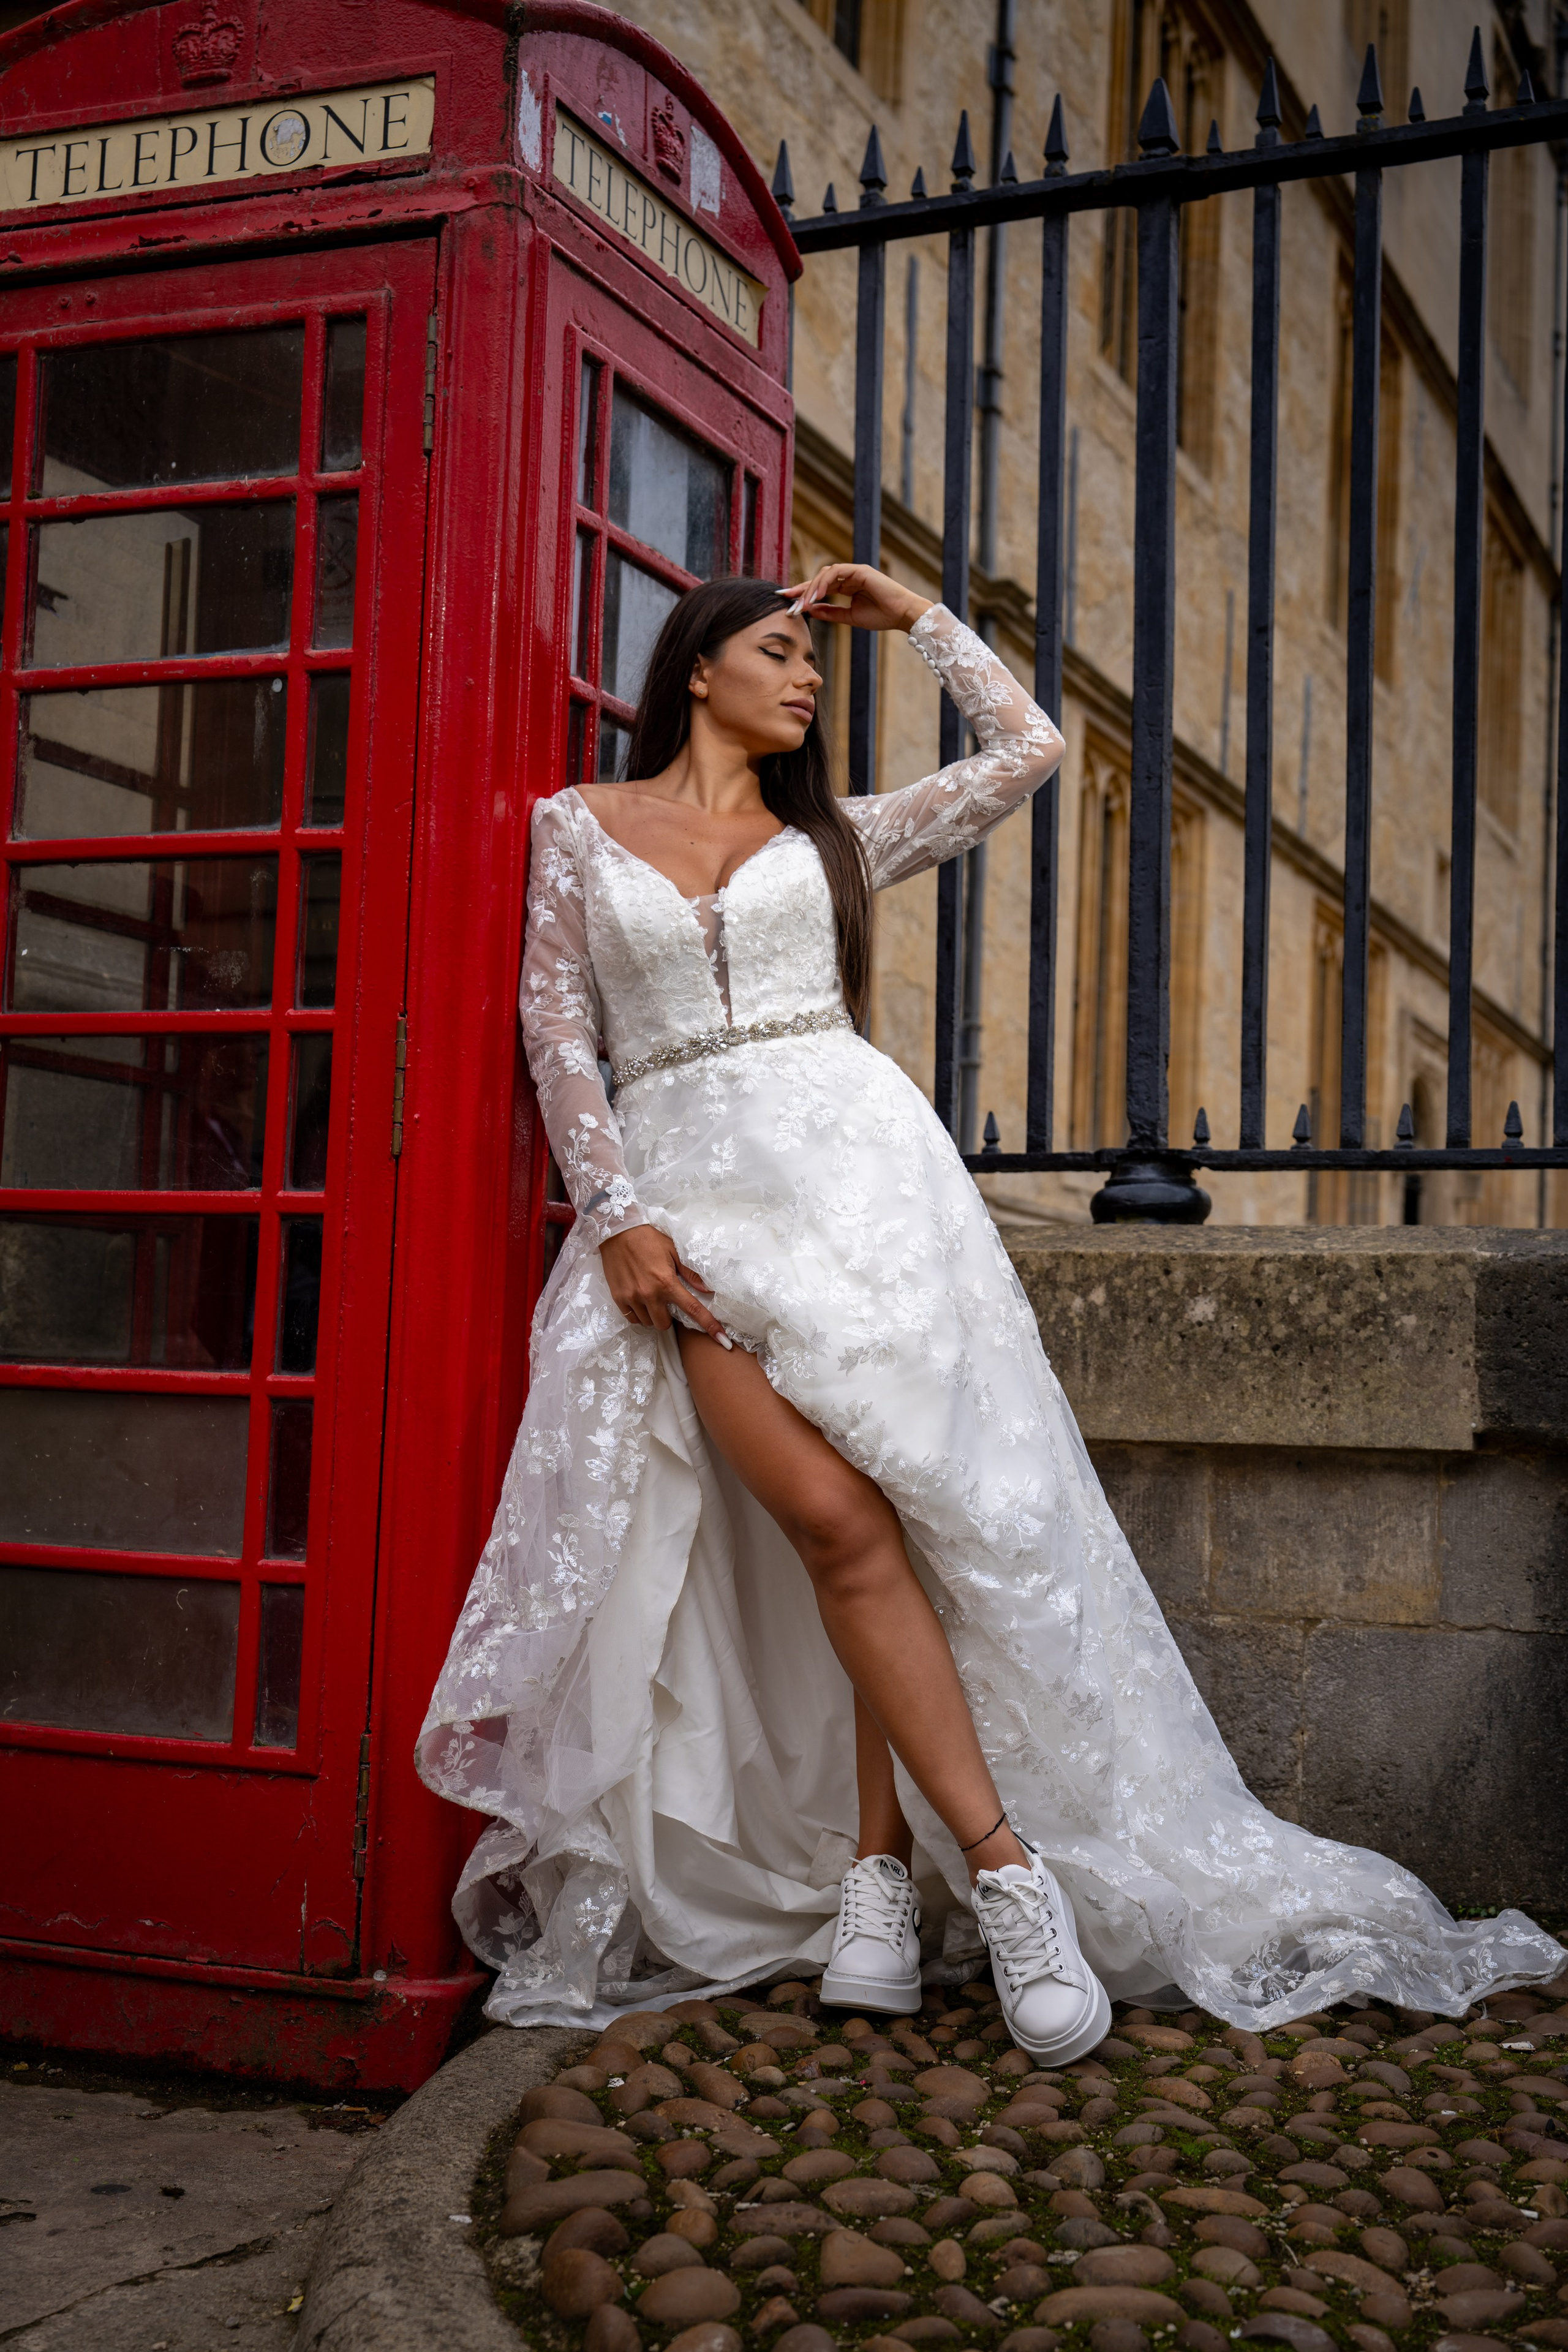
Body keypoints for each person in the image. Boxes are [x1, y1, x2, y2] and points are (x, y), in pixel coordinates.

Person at [418, 565, 1562, 2045]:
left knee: (913, 1524)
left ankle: (893, 1879)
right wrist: (617, 1213)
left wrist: (914, 619)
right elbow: (555, 1023)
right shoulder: (577, 826)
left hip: (874, 1206)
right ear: (696, 668)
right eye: (779, 653)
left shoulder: (827, 837)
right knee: (833, 1523)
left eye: (811, 657)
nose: (806, 678)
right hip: (695, 1217)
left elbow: (1027, 752)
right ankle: (1001, 1869)